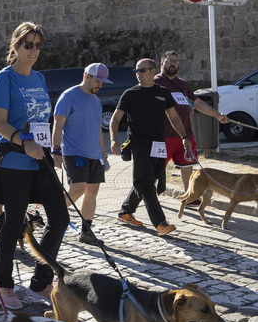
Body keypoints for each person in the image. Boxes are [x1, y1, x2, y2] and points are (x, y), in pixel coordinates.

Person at [0, 22, 68, 308]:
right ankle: (4, 285)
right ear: (16, 45)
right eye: (28, 45)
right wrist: (25, 142)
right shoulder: (4, 78)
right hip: (15, 158)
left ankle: (40, 282)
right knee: (13, 222)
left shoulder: (39, 79)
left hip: (41, 159)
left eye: (38, 46)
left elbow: (43, 119)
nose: (33, 51)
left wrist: (49, 147)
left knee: (60, 219)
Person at [109, 58, 191, 236]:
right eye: (137, 71)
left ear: (153, 71)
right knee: (145, 182)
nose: (138, 74)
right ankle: (160, 223)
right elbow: (115, 118)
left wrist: (184, 136)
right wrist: (113, 139)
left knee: (150, 179)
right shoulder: (130, 93)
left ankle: (125, 212)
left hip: (159, 144)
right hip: (139, 144)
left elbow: (174, 117)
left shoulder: (162, 92)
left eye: (142, 70)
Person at [52, 63, 111, 246]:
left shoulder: (95, 101)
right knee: (77, 189)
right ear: (87, 76)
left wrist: (103, 152)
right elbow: (58, 124)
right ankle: (53, 215)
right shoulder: (68, 96)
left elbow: (98, 129)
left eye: (102, 82)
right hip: (74, 152)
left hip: (95, 154)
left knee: (92, 192)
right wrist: (56, 150)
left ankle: (86, 233)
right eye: (97, 81)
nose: (100, 85)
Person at [154, 51, 229, 192]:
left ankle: (189, 198)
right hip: (164, 136)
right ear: (162, 63)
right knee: (156, 169)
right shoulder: (156, 82)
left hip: (186, 135)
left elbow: (197, 102)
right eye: (169, 61)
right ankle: (147, 197)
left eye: (175, 61)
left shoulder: (182, 84)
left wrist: (218, 115)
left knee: (187, 167)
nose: (173, 64)